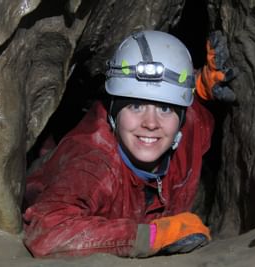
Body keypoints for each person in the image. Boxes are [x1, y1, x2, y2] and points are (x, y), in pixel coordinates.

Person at [23, 30, 236, 258]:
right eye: (136, 106)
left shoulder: (192, 126)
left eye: (164, 107)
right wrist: (152, 237)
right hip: (53, 178)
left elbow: (189, 103)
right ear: (114, 111)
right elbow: (47, 233)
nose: (151, 123)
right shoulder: (92, 164)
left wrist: (201, 85)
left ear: (182, 116)